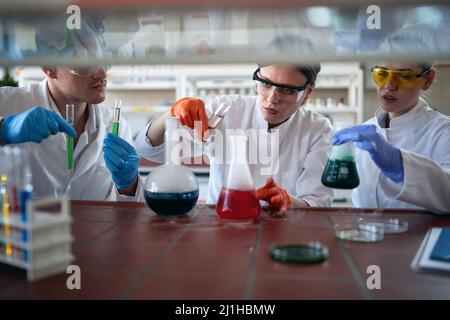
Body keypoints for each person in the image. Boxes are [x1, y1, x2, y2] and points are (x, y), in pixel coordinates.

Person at [135, 63, 333, 214]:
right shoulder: (226, 110)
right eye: (265, 84)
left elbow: (317, 203)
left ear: (308, 92)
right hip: (222, 226)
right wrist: (170, 114)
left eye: (287, 90)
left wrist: (289, 201)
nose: (272, 99)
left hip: (283, 230)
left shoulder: (317, 129)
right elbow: (150, 151)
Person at [0, 14, 143, 201]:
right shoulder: (6, 103)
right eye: (85, 62)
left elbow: (128, 218)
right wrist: (3, 128)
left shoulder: (116, 127)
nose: (101, 73)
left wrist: (129, 185)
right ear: (48, 66)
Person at [333, 63, 450, 213]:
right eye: (381, 74)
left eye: (403, 76)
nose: (389, 86)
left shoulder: (443, 131)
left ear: (427, 80)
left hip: (422, 236)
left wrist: (400, 166)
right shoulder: (366, 133)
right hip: (365, 234)